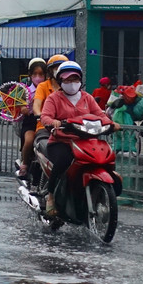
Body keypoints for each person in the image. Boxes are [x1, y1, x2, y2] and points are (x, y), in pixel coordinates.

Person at [39, 61, 107, 218]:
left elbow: (100, 115)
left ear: (80, 80)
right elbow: (45, 116)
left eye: (75, 79)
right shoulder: (54, 98)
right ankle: (51, 196)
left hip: (86, 141)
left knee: (103, 158)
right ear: (60, 81)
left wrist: (111, 123)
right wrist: (53, 122)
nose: (72, 83)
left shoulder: (87, 98)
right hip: (61, 141)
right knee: (63, 161)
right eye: (68, 80)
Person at [16, 57, 49, 177]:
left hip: (46, 121)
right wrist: (23, 108)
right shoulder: (25, 90)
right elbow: (19, 104)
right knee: (29, 140)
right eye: (35, 74)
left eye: (41, 74)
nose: (37, 77)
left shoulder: (49, 88)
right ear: (30, 75)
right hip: (31, 121)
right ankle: (24, 164)